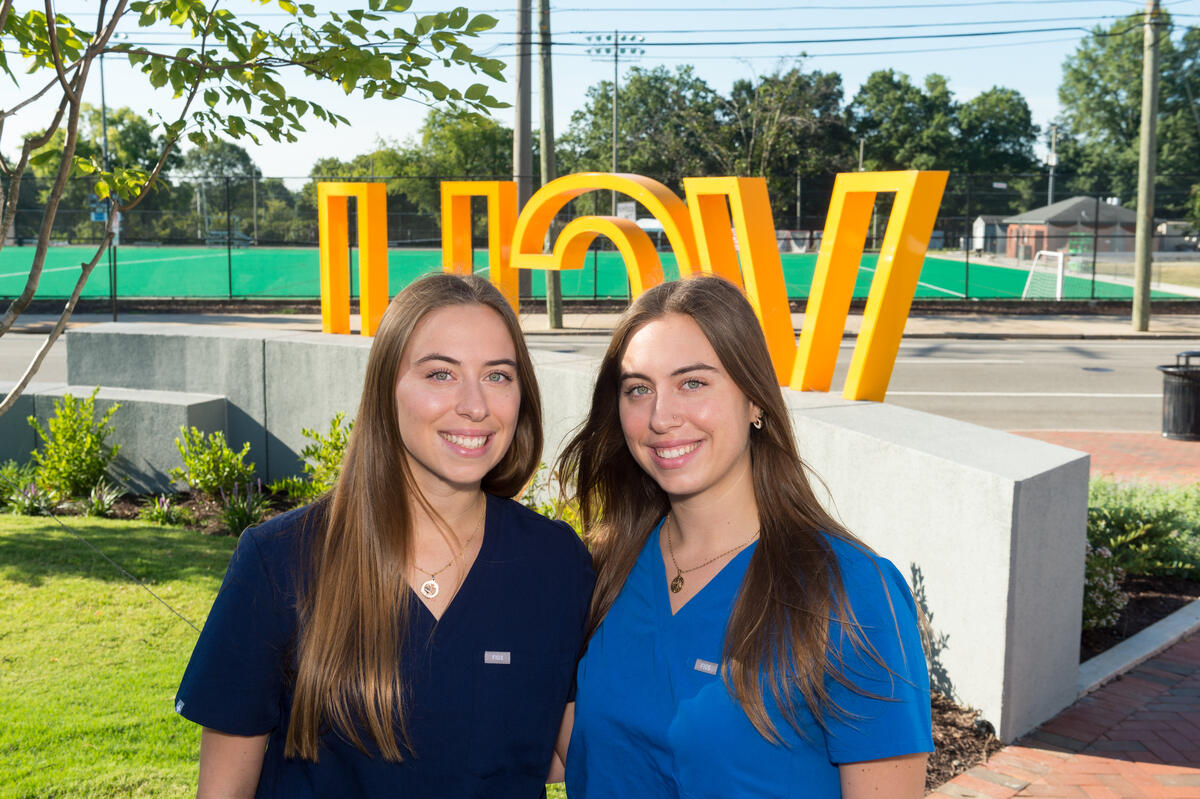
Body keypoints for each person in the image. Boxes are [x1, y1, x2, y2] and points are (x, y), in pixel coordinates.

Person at [176, 273, 594, 798]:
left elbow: (572, 757)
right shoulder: (280, 560)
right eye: (440, 374)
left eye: (498, 376)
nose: (475, 405)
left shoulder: (556, 563)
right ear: (385, 390)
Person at [556, 275, 932, 799]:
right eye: (639, 389)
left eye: (693, 383)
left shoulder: (849, 592)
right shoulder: (606, 568)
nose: (661, 417)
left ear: (755, 399)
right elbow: (570, 755)